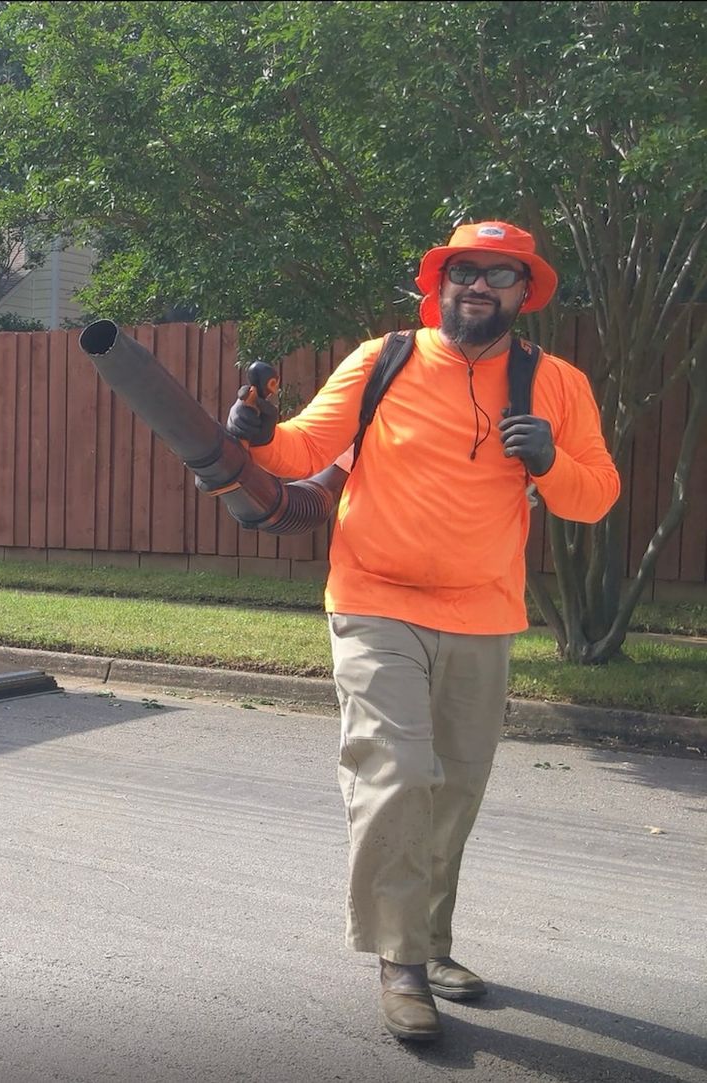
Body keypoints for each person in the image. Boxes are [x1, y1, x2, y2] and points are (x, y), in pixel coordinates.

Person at [225, 222, 620, 1042]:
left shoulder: (558, 384)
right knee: (398, 769)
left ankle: (431, 942)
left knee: (455, 787)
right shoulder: (383, 358)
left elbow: (598, 496)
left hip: (484, 611)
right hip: (374, 599)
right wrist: (261, 433)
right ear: (439, 282)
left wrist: (550, 460)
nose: (478, 285)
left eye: (498, 274)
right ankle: (400, 961)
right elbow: (306, 445)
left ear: (524, 291)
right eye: (463, 270)